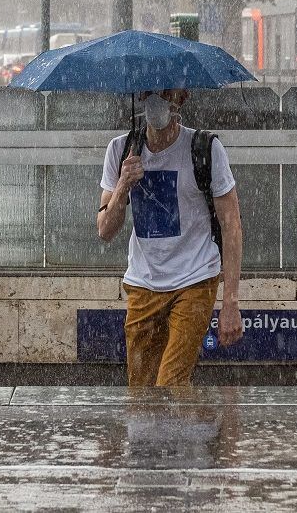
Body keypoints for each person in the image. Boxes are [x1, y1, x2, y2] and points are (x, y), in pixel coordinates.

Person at [97, 88, 244, 387]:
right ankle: (198, 430)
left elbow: (231, 226)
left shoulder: (204, 148)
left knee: (170, 384)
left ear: (182, 97)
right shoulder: (121, 149)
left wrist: (230, 302)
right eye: (150, 92)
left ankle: (187, 428)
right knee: (141, 391)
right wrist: (124, 183)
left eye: (166, 92)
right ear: (138, 97)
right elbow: (105, 229)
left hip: (195, 280)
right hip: (143, 285)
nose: (157, 100)